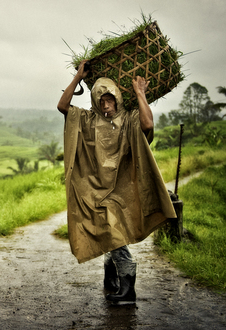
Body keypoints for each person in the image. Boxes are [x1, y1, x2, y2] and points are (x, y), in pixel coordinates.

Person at [57, 60, 176, 302]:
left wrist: (140, 93)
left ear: (118, 98)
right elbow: (62, 106)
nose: (106, 105)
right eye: (101, 101)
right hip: (93, 190)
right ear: (95, 102)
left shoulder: (128, 119)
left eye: (109, 99)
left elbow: (148, 124)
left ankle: (128, 289)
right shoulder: (88, 119)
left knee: (112, 231)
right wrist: (77, 78)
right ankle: (110, 278)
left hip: (119, 191)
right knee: (107, 230)